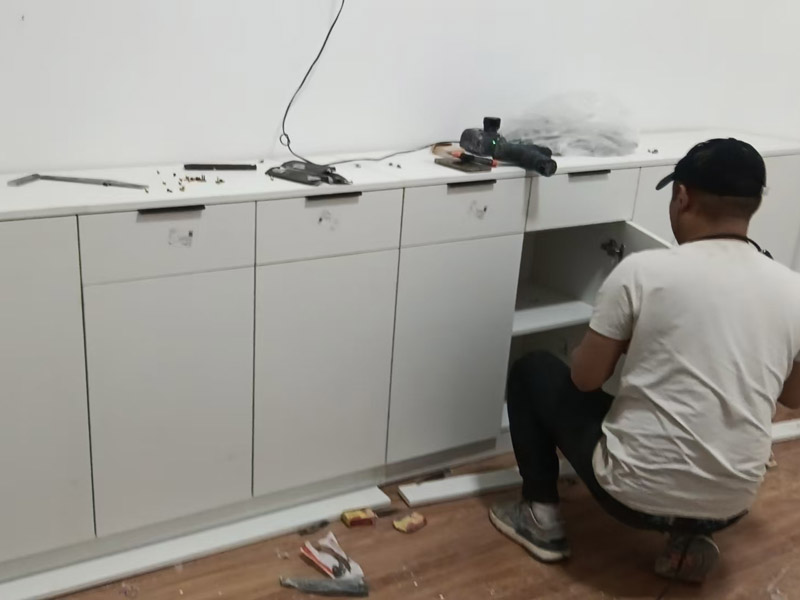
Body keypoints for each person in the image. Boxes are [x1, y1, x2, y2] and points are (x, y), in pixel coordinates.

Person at [489, 138, 800, 583]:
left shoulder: (644, 273)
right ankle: (687, 540)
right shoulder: (792, 289)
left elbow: (585, 379)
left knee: (533, 371)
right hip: (732, 504)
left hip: (631, 496)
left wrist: (605, 347)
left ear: (682, 196)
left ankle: (541, 517)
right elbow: (793, 397)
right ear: (754, 204)